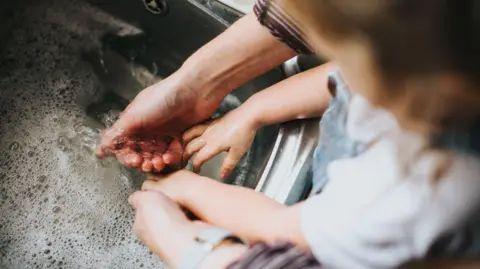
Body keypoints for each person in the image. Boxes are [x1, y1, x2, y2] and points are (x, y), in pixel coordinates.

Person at [101, 0, 480, 268]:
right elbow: (339, 80)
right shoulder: (427, 77)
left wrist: (183, 203)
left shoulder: (412, 191)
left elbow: (282, 227)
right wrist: (251, 110)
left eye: (336, 48)